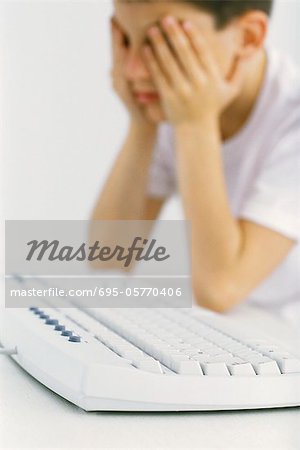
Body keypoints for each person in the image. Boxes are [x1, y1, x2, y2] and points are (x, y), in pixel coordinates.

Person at [92, 0, 300, 313]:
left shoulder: (290, 116)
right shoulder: (173, 100)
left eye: (161, 42)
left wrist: (195, 123)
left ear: (248, 38)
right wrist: (142, 125)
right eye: (124, 39)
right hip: (231, 330)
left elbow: (218, 290)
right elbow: (106, 260)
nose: (132, 70)